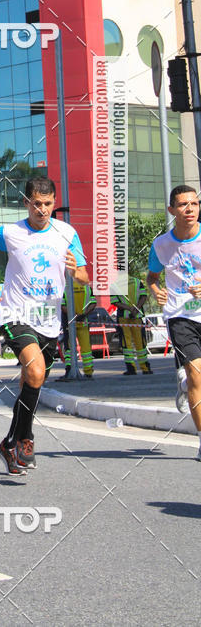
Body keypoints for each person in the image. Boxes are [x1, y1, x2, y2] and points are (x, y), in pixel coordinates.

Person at [0, 176, 89, 475]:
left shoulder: (66, 233)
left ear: (54, 202)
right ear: (26, 203)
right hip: (16, 314)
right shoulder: (10, 232)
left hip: (49, 322)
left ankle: (10, 444)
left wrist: (76, 271)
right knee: (35, 371)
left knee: (31, 383)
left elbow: (85, 276)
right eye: (36, 204)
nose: (42, 210)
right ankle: (22, 439)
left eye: (48, 204)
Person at [147, 184, 201, 461]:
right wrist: (156, 292)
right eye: (182, 205)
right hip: (181, 316)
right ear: (172, 210)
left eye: (193, 204)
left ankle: (183, 385)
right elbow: (152, 278)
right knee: (197, 375)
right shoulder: (161, 245)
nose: (189, 209)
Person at [112, 277, 152, 376]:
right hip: (137, 316)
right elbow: (143, 296)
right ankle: (145, 368)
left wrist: (129, 308)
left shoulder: (114, 284)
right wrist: (135, 309)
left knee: (127, 343)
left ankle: (131, 368)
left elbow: (115, 302)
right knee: (140, 343)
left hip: (123, 318)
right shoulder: (137, 282)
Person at [56, 284, 96, 380]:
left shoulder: (66, 287)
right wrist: (83, 314)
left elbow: (62, 305)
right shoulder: (86, 287)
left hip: (70, 323)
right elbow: (93, 303)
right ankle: (88, 372)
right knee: (86, 348)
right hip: (83, 322)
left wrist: (73, 315)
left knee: (69, 348)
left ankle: (69, 369)